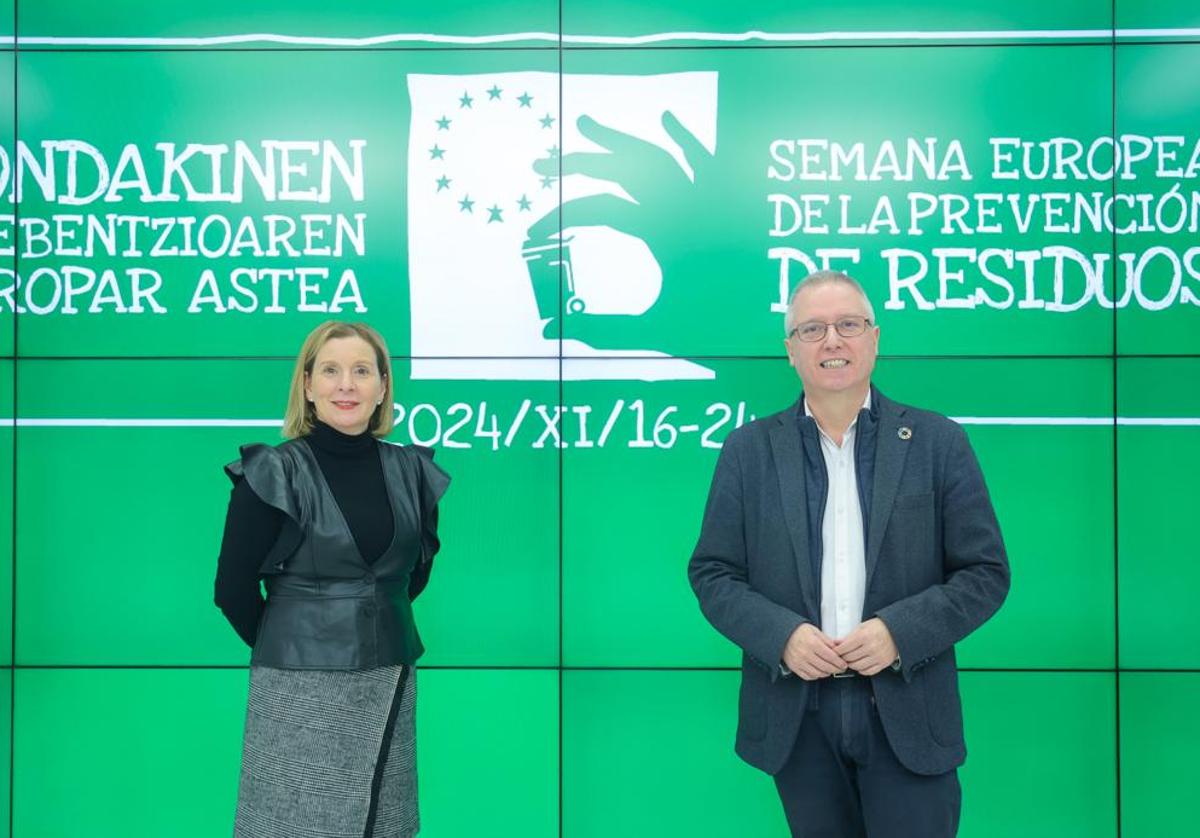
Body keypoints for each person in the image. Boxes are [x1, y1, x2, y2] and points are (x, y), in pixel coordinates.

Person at [688, 270, 1009, 838]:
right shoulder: (748, 450)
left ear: (875, 338)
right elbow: (713, 573)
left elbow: (984, 574)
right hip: (798, 715)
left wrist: (898, 632)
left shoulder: (938, 442)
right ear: (790, 351)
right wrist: (782, 637)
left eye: (848, 324)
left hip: (908, 709)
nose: (832, 340)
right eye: (812, 329)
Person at [214, 320, 449, 838]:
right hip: (298, 688)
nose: (347, 384)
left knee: (383, 824)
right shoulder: (270, 472)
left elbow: (410, 578)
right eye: (332, 371)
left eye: (362, 371)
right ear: (308, 385)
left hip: (388, 673)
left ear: (383, 386)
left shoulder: (413, 471)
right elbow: (231, 590)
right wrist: (300, 639)